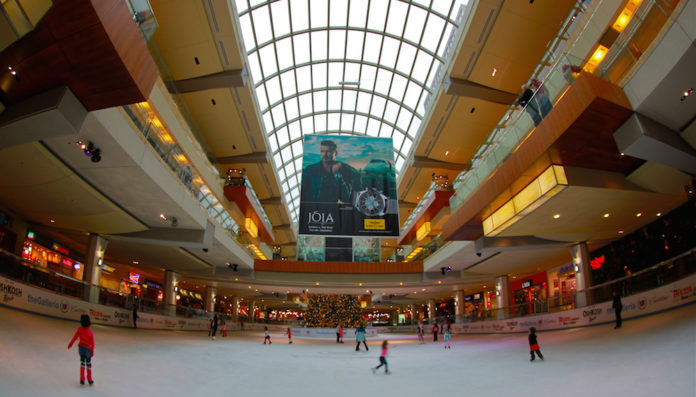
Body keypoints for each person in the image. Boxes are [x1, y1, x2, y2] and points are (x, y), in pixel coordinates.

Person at [300, 140, 362, 204]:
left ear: (336, 153)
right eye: (322, 151)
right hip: (314, 209)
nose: (325, 155)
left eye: (328, 152)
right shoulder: (309, 170)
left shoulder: (347, 170)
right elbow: (303, 193)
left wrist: (338, 176)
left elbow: (347, 197)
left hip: (333, 209)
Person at [67, 314, 95, 386]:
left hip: (81, 349)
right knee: (88, 364)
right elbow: (93, 343)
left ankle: (82, 379)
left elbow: (75, 337)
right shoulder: (90, 332)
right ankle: (89, 379)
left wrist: (71, 344)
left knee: (82, 363)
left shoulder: (79, 329)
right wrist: (92, 351)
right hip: (87, 350)